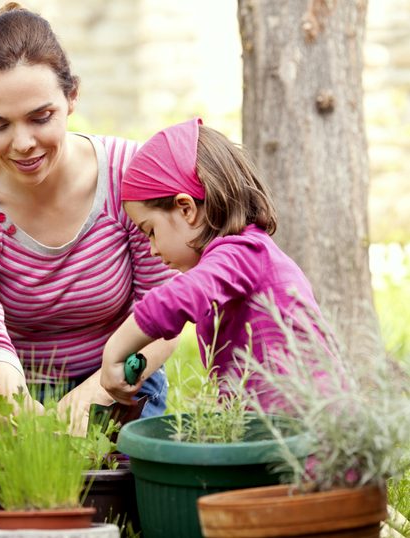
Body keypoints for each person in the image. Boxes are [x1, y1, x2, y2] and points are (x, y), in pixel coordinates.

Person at [0, 2, 178, 453]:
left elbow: (164, 314)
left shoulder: (129, 176)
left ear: (72, 97)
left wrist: (95, 392)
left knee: (133, 488)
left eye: (40, 118)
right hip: (1, 378)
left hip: (117, 372)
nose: (22, 143)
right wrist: (14, 405)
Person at [100, 117, 326, 409]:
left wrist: (115, 349)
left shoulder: (243, 252)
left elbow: (177, 298)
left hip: (310, 429)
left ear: (186, 208)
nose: (153, 249)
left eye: (151, 231)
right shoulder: (237, 258)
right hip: (275, 427)